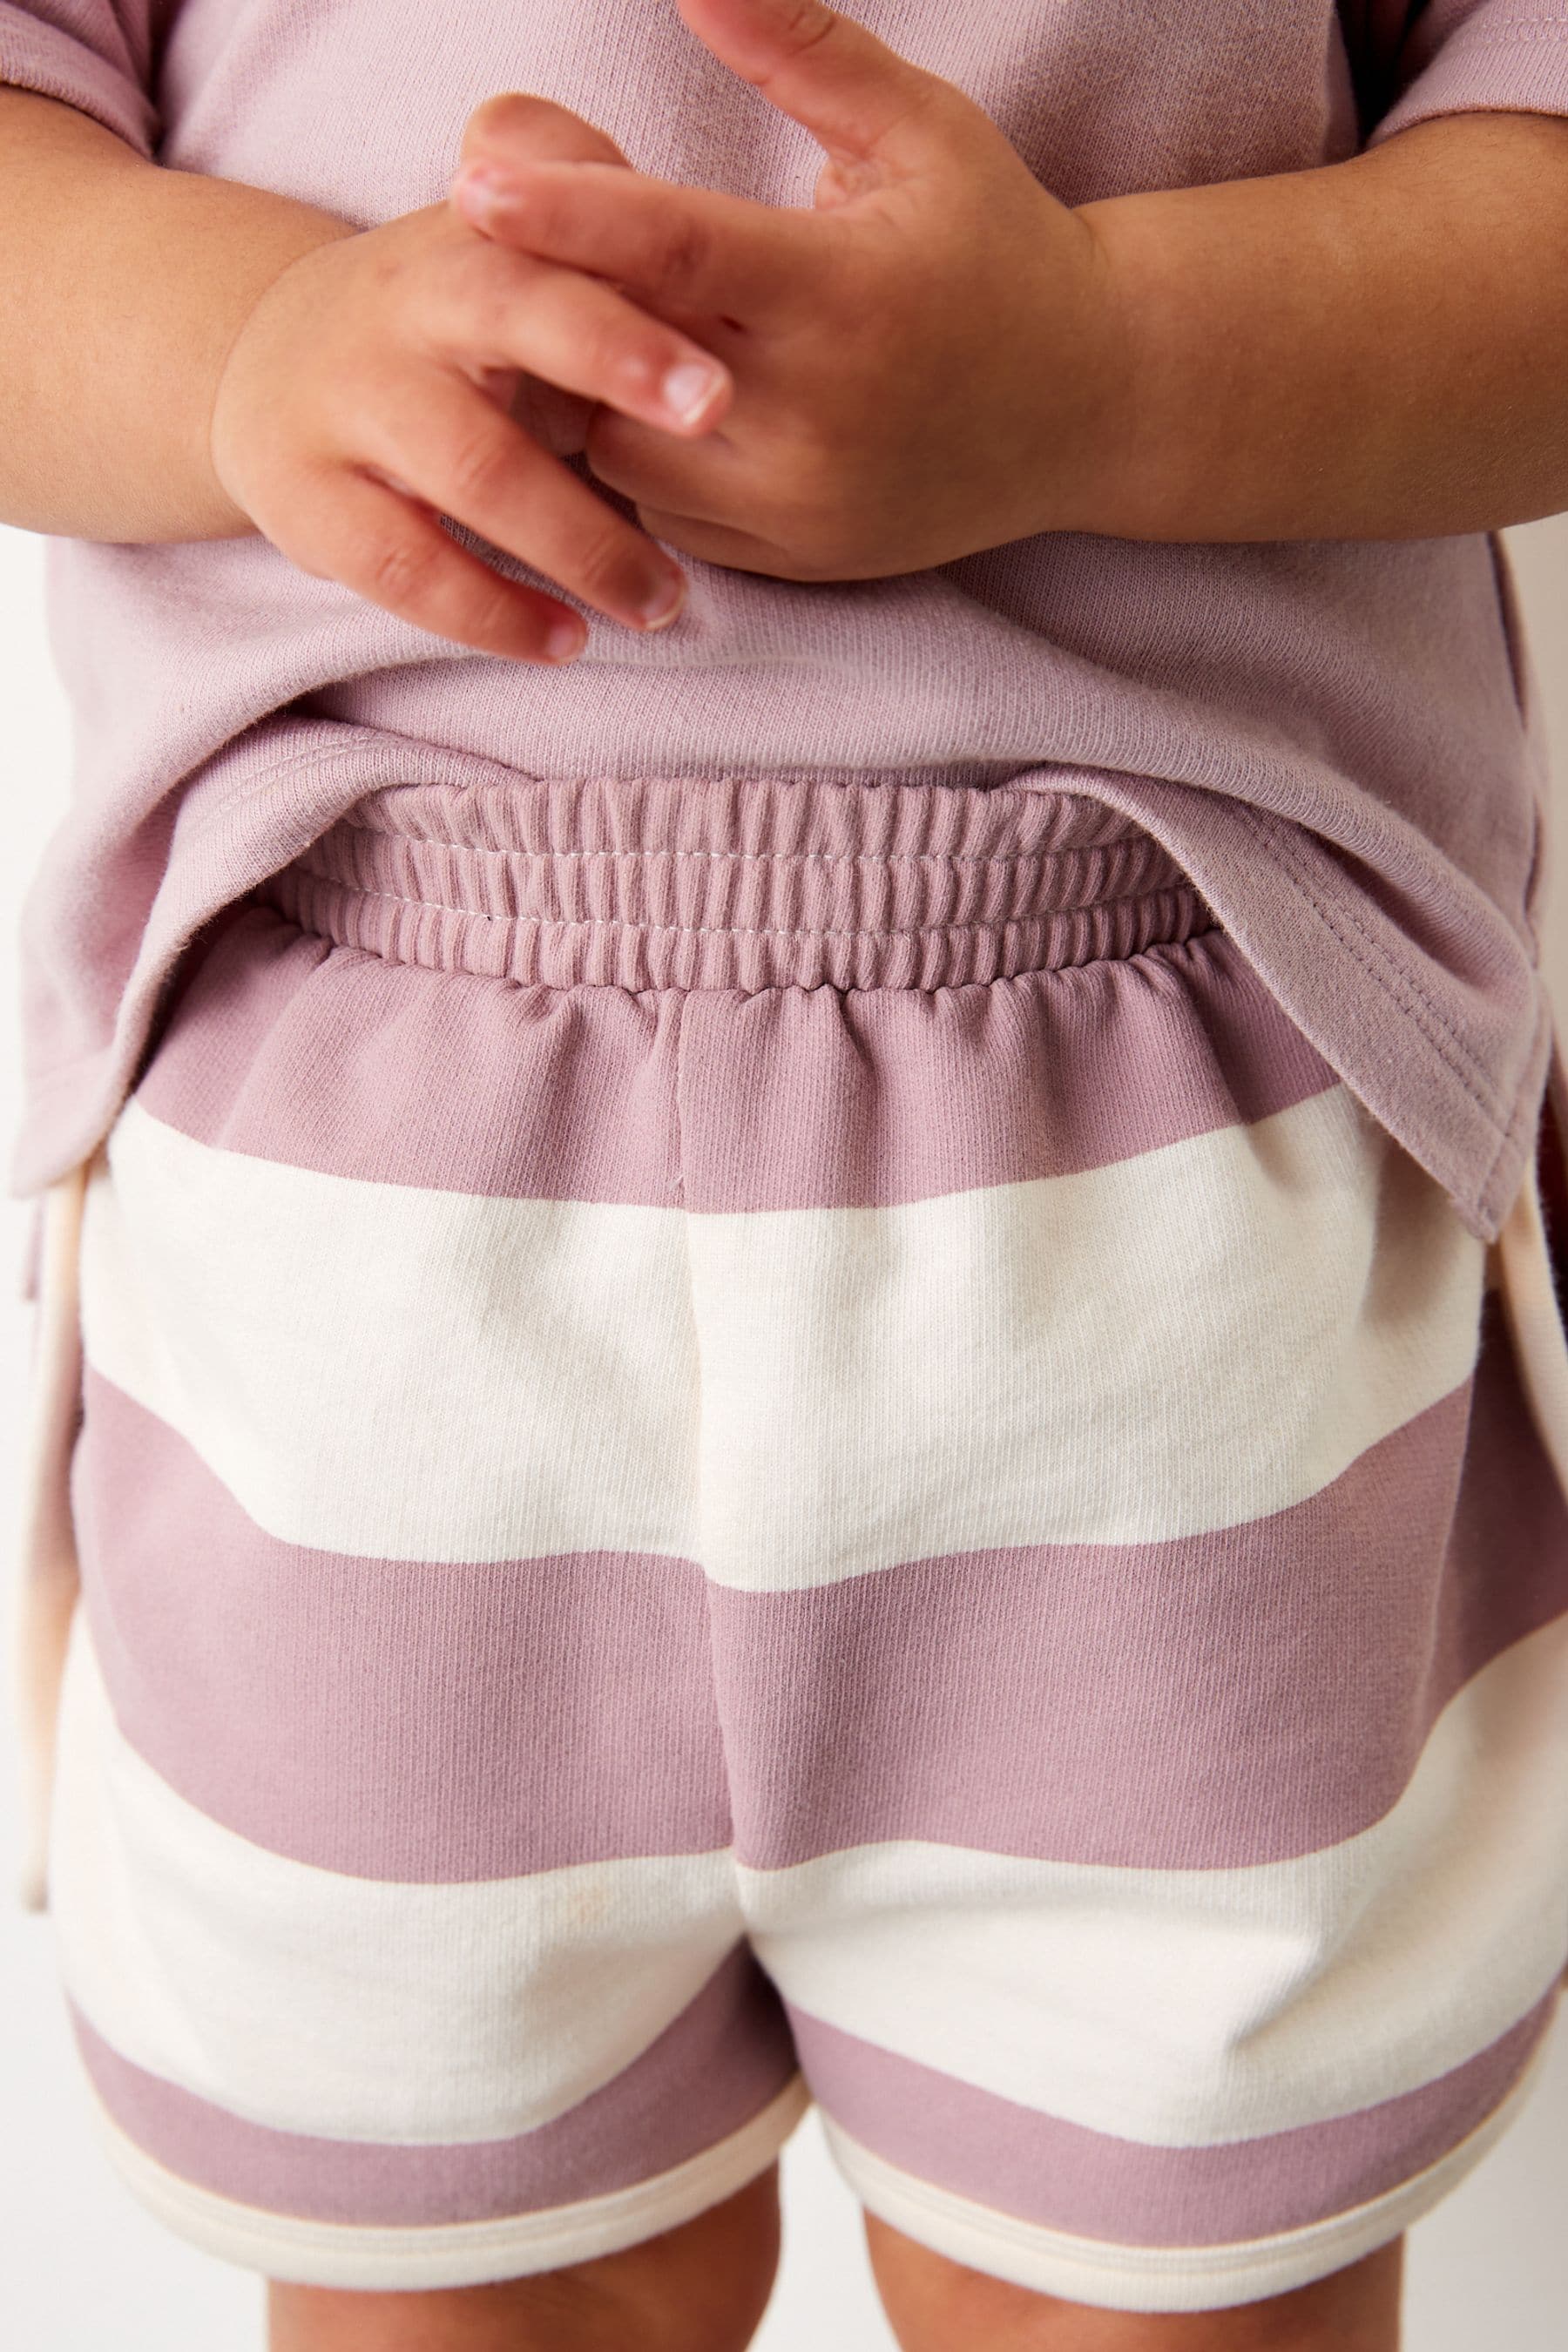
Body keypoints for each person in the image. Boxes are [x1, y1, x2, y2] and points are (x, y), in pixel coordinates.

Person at [5, 1, 1568, 2345]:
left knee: (1177, 2301)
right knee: (468, 2292)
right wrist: (253, 346)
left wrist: (1111, 375)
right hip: (368, 1231)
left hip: (1179, 1174)